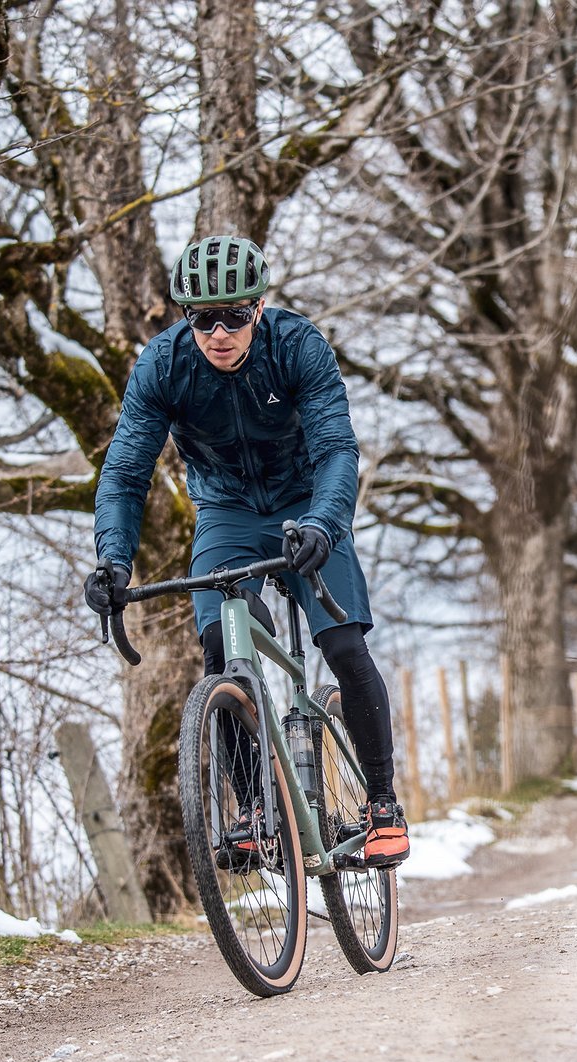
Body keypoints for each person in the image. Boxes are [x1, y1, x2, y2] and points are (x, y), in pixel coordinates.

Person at [81, 235, 408, 868]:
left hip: (308, 502)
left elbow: (338, 449)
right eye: (204, 319)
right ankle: (258, 806)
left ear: (259, 307)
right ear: (186, 318)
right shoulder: (162, 366)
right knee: (220, 643)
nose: (220, 332)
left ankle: (382, 804)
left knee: (342, 643)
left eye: (234, 315)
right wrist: (113, 561)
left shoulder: (298, 346)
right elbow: (124, 474)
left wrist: (323, 522)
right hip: (226, 513)